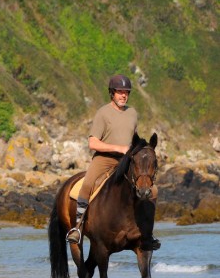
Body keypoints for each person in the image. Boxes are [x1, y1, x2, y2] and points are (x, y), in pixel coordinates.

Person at [66, 75, 160, 250]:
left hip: (127, 161)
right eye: (120, 92)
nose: (123, 95)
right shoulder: (103, 113)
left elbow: (134, 138)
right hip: (104, 159)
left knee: (152, 190)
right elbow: (92, 143)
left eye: (126, 93)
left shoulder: (132, 113)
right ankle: (77, 228)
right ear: (112, 93)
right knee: (87, 185)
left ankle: (147, 234)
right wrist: (119, 148)